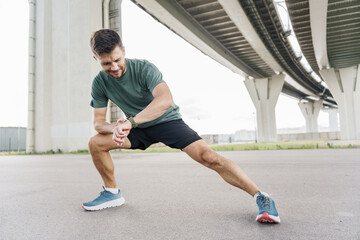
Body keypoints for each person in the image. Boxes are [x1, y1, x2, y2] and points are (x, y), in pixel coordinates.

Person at [82, 29, 280, 223]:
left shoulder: (144, 68)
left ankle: (261, 197)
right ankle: (112, 193)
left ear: (123, 50)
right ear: (95, 59)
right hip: (135, 129)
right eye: (106, 63)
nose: (114, 67)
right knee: (96, 143)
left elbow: (165, 100)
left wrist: (130, 122)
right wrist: (115, 128)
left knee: (209, 157)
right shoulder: (99, 83)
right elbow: (98, 122)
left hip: (165, 121)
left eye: (117, 60)